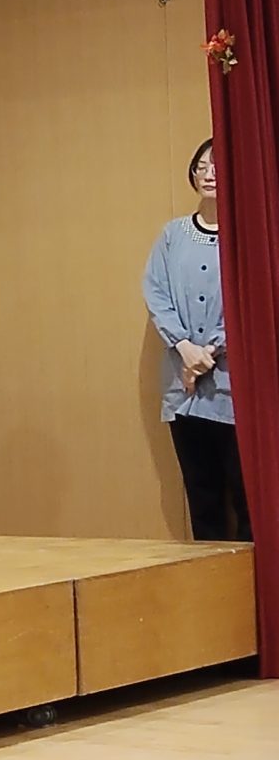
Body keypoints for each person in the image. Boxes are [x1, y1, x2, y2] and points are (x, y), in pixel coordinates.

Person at [145, 137, 249, 541]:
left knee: (245, 496)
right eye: (202, 166)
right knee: (201, 496)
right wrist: (185, 348)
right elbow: (156, 292)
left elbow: (250, 299)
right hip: (182, 387)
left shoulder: (247, 236)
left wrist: (209, 351)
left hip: (233, 387)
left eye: (218, 166)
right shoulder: (173, 234)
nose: (209, 174)